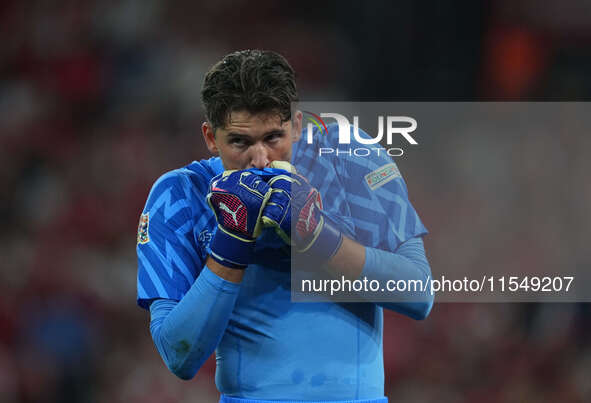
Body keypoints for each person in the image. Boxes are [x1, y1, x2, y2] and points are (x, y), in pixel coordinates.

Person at [136, 50, 433, 403]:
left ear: (296, 125)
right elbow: (179, 355)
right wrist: (232, 242)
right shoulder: (181, 196)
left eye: (273, 138)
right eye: (239, 142)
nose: (260, 160)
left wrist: (316, 237)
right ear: (210, 137)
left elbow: (419, 294)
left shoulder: (349, 159)